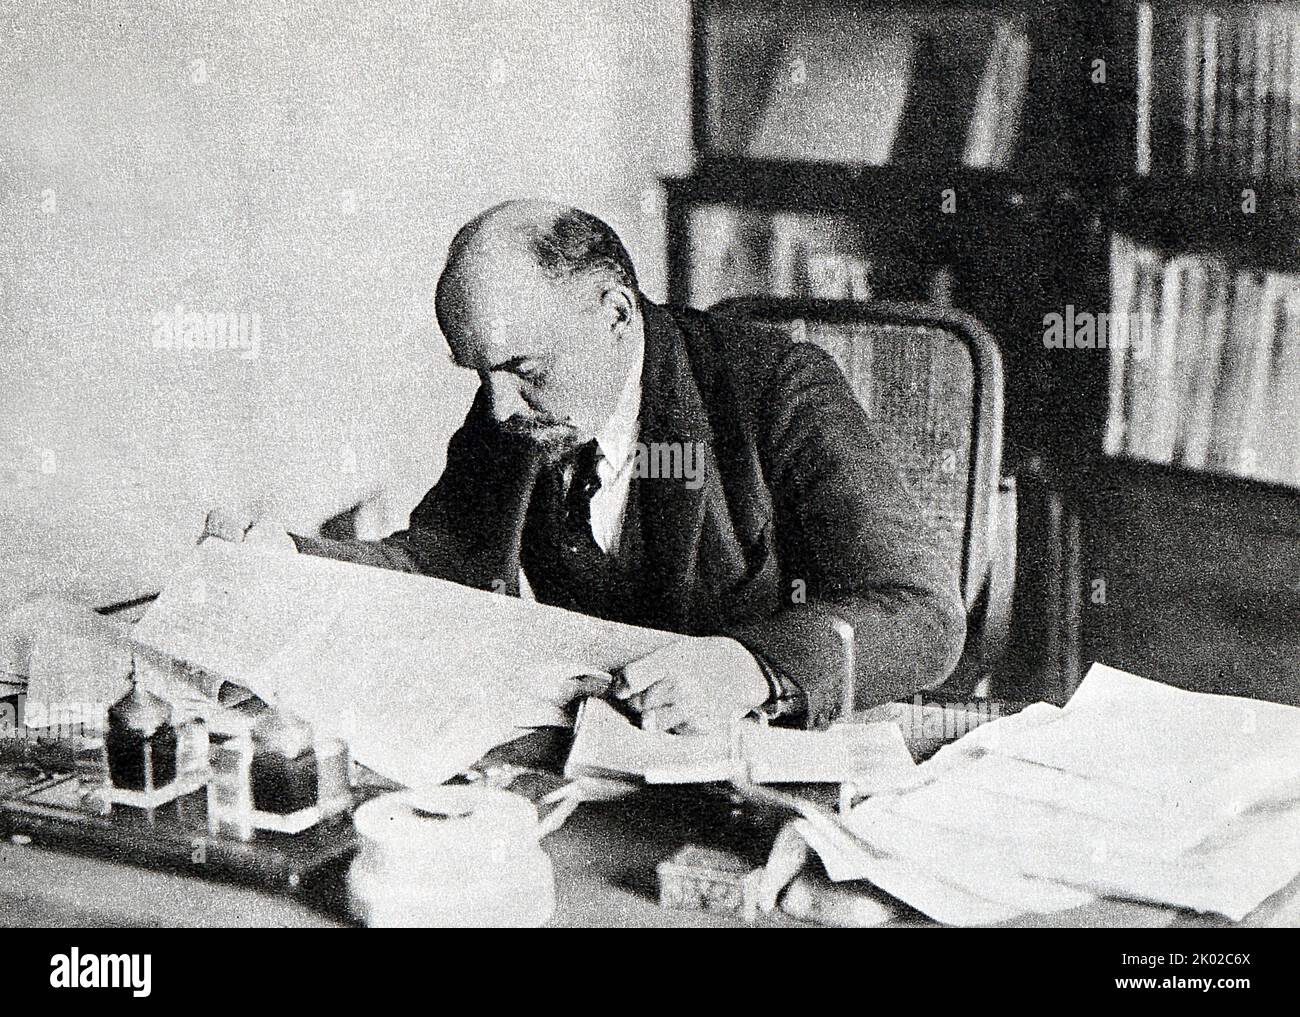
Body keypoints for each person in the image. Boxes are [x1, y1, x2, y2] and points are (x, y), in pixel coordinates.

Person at [203, 200, 965, 733]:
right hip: (605, 771)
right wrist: (294, 561)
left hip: (765, 767)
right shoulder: (518, 408)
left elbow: (924, 613)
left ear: (616, 312)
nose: (498, 408)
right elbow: (440, 560)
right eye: (478, 374)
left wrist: (750, 667)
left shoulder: (776, 388)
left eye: (523, 367)